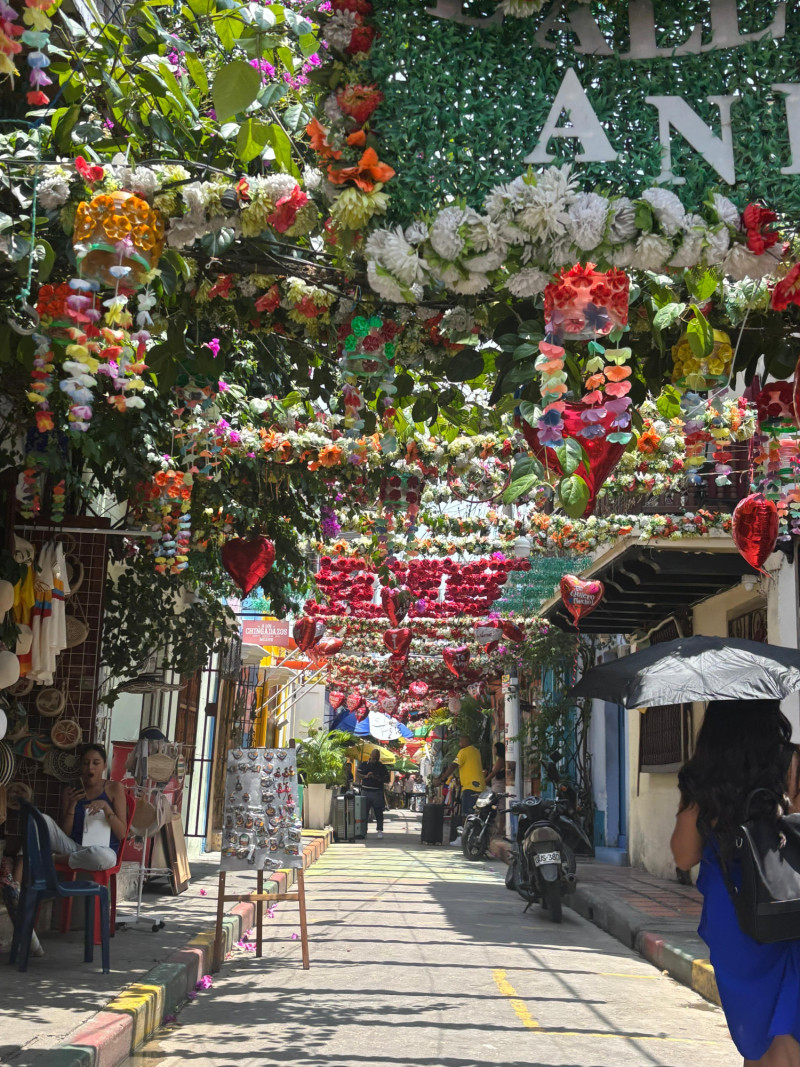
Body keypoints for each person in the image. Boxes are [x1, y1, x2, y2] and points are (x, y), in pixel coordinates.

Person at [670, 700, 800, 1067]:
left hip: (737, 919)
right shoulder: (793, 765)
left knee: (759, 1032)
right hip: (790, 905)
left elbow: (684, 857)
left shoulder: (704, 776)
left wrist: (697, 798)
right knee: (791, 1019)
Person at [7, 742, 127, 956]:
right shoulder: (72, 790)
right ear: (80, 766)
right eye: (86, 763)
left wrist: (107, 809)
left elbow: (122, 834)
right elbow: (64, 832)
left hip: (102, 852)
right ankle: (16, 884)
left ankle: (50, 859)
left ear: (104, 766)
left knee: (101, 856)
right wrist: (71, 808)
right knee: (39, 821)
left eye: (96, 763)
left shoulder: (114, 788)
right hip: (74, 847)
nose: (90, 768)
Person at [437, 736, 486, 844]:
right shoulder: (476, 751)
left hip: (470, 787)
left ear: (465, 741)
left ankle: (464, 838)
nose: (459, 743)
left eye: (460, 740)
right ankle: (476, 836)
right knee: (477, 813)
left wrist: (443, 778)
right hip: (481, 787)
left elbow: (453, 765)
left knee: (467, 814)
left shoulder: (463, 751)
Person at [357, 749, 390, 839]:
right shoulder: (364, 764)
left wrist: (376, 777)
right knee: (364, 812)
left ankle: (379, 830)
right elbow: (358, 774)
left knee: (379, 811)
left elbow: (387, 779)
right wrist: (365, 776)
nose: (375, 759)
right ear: (370, 756)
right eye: (374, 757)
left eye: (377, 758)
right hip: (365, 791)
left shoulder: (381, 766)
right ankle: (363, 831)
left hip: (377, 791)